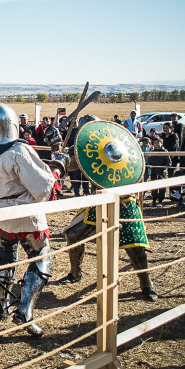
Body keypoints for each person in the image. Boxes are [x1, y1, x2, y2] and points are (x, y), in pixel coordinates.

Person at [0, 103, 63, 335]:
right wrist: (58, 168)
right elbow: (42, 186)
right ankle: (24, 311)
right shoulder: (19, 151)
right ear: (12, 124)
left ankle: (0, 305)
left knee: (5, 258)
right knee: (42, 258)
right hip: (21, 214)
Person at [61, 119, 156, 302]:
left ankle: (146, 284)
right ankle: (75, 273)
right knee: (73, 234)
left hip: (125, 202)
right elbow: (72, 165)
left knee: (135, 247)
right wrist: (62, 159)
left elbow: (134, 171)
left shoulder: (119, 145)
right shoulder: (88, 150)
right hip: (99, 201)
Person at [146, 136, 171, 207]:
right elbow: (148, 161)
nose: (156, 144)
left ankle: (160, 200)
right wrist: (149, 165)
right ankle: (154, 200)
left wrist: (164, 167)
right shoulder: (152, 152)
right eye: (155, 143)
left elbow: (169, 162)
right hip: (154, 171)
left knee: (162, 187)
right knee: (154, 186)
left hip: (162, 172)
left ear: (161, 143)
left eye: (158, 142)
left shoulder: (165, 152)